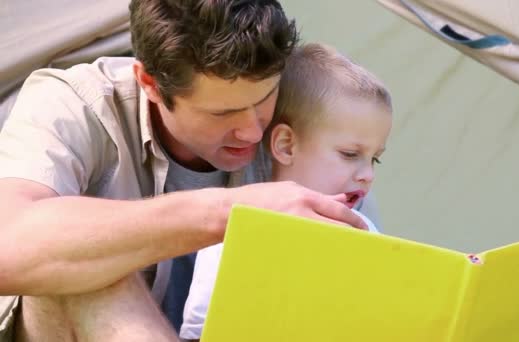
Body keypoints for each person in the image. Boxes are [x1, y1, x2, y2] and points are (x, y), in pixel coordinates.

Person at [0, 1, 370, 341]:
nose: (254, 132)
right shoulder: (76, 102)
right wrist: (228, 212)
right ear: (151, 85)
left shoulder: (303, 114)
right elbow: (8, 244)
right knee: (90, 266)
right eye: (222, 113)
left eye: (263, 100)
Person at [179, 42, 393, 341]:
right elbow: (198, 330)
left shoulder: (365, 231)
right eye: (349, 154)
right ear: (286, 145)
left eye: (375, 158)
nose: (368, 174)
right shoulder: (240, 225)